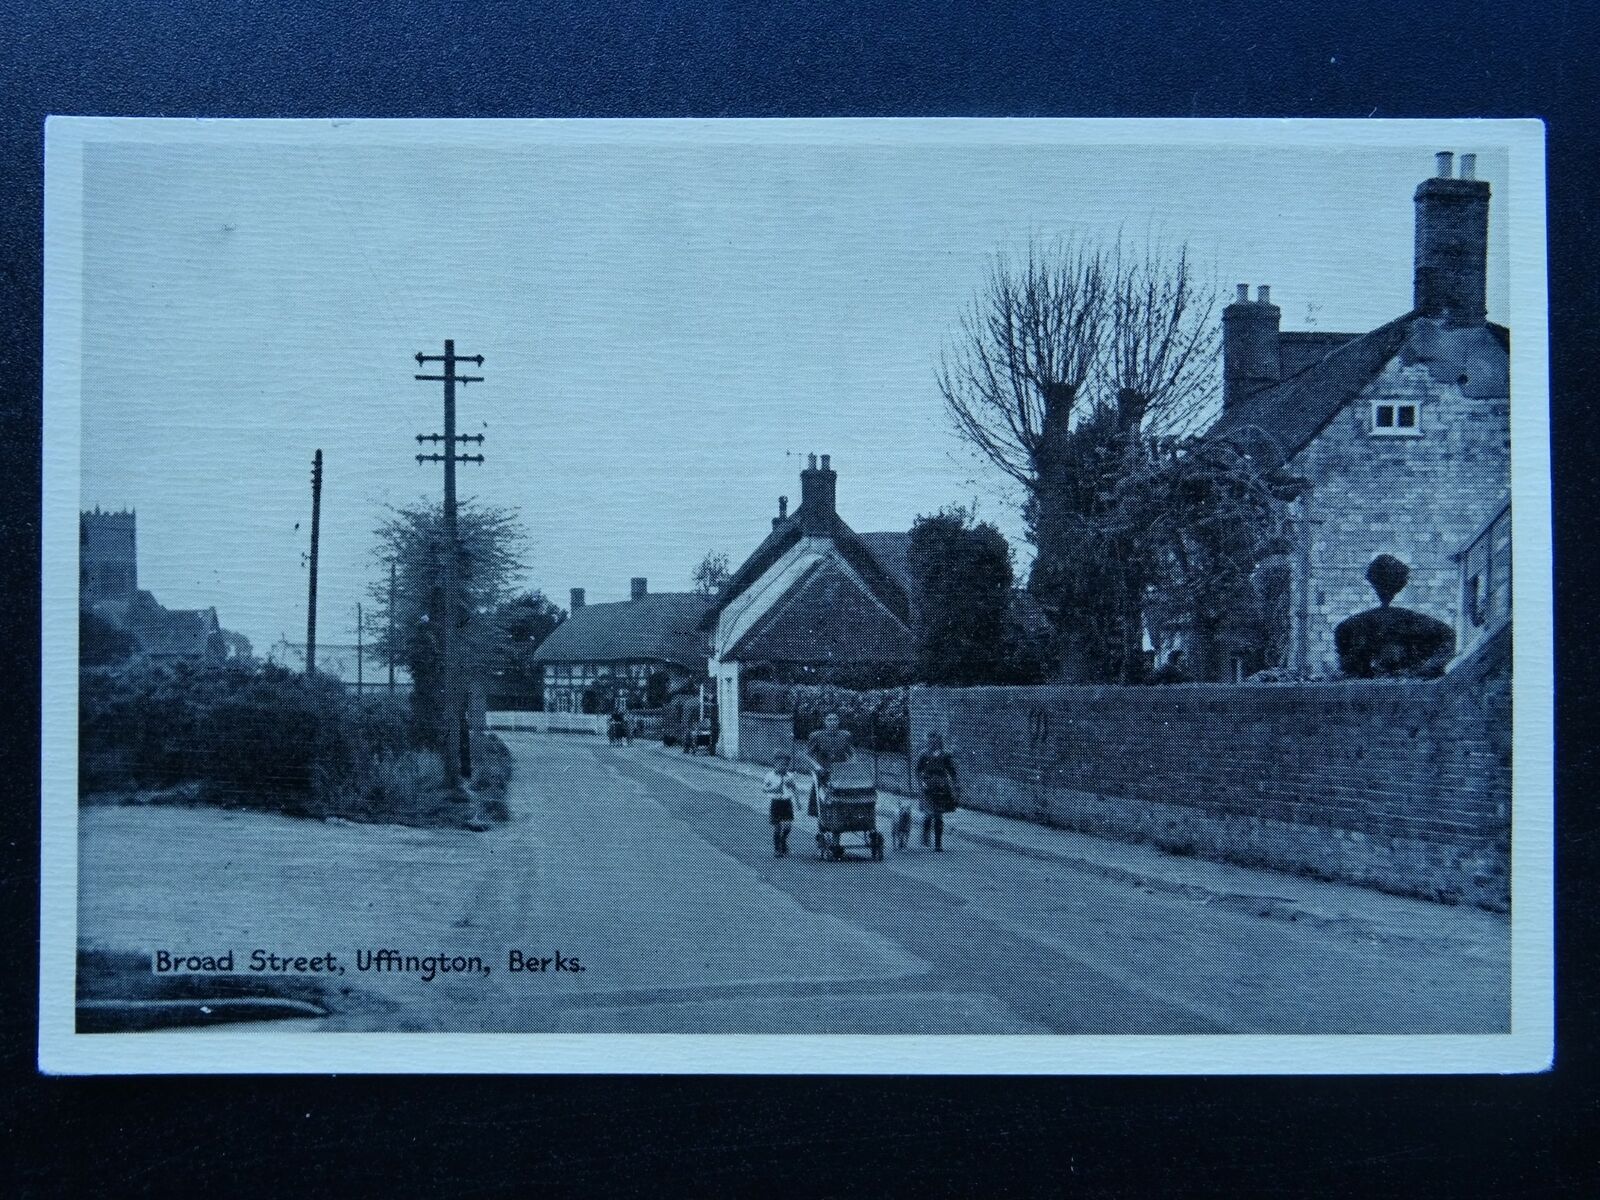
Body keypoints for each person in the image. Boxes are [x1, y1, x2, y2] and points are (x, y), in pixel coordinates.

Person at [803, 712, 854, 817]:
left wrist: (851, 764)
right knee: (821, 802)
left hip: (840, 774)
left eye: (835, 719)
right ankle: (822, 820)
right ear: (825, 722)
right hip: (823, 773)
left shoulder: (845, 735)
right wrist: (816, 766)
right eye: (829, 720)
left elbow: (852, 753)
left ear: (838, 722)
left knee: (842, 799)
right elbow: (807, 755)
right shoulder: (817, 736)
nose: (832, 722)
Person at [915, 731, 959, 851]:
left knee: (938, 815)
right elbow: (917, 771)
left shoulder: (945, 755)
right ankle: (925, 835)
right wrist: (920, 784)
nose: (932, 742)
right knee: (929, 814)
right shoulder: (923, 754)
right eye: (930, 740)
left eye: (935, 740)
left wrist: (955, 784)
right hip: (927, 786)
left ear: (939, 741)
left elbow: (952, 771)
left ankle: (938, 844)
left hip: (941, 786)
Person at [764, 753, 799, 856]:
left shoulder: (790, 776)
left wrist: (798, 802)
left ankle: (783, 841)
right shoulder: (770, 775)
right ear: (775, 763)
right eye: (781, 764)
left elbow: (794, 789)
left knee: (788, 826)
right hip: (776, 803)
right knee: (777, 827)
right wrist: (774, 789)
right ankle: (777, 849)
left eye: (786, 765)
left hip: (787, 803)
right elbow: (764, 789)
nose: (783, 767)